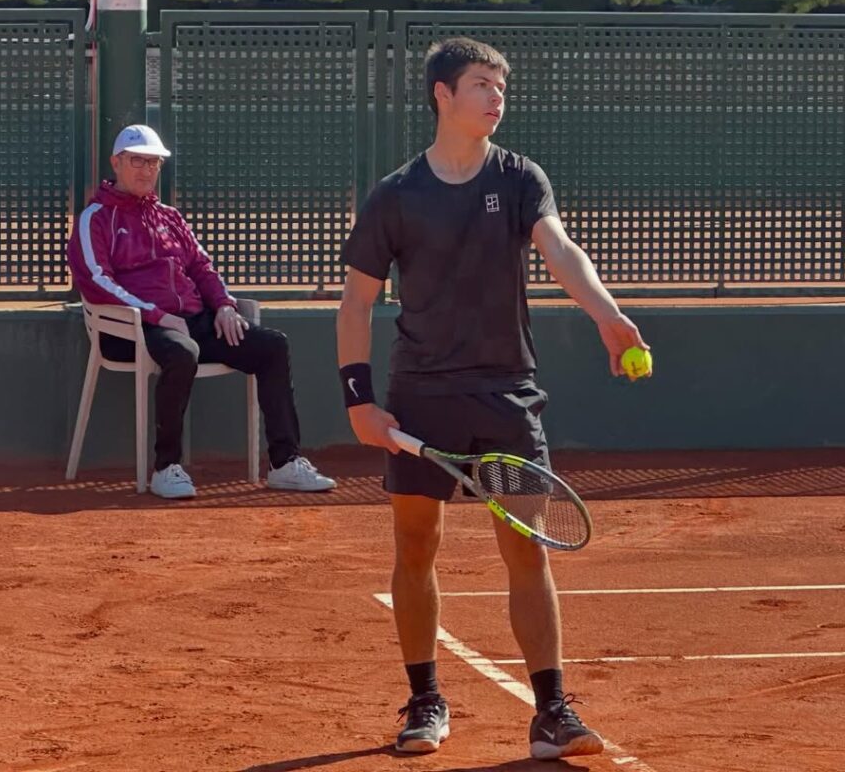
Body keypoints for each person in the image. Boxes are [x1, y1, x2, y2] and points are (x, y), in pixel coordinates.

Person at [336, 38, 649, 758]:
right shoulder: (396, 195)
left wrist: (606, 313)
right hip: (421, 401)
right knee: (416, 546)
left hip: (505, 399)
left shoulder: (519, 180)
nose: (496, 97)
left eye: (501, 86)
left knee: (526, 548)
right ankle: (424, 701)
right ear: (443, 95)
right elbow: (356, 303)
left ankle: (551, 713)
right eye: (481, 84)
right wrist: (359, 399)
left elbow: (561, 248)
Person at [67, 124, 335, 499]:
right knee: (182, 352)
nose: (146, 170)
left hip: (193, 320)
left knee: (272, 346)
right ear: (116, 162)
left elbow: (202, 268)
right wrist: (156, 315)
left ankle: (285, 463)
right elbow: (96, 281)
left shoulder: (170, 218)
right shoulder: (94, 218)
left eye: (153, 163)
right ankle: (166, 467)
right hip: (135, 329)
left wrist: (224, 306)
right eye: (137, 161)